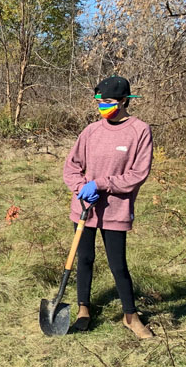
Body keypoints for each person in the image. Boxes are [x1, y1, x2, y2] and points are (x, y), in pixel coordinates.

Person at [63, 75, 154, 338]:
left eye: (109, 102)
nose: (103, 106)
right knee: (85, 260)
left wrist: (101, 184)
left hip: (116, 211)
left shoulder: (139, 131)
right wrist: (81, 188)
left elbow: (138, 174)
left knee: (118, 265)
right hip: (84, 208)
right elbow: (72, 167)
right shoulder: (91, 131)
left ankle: (130, 316)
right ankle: (83, 310)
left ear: (125, 101)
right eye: (100, 102)